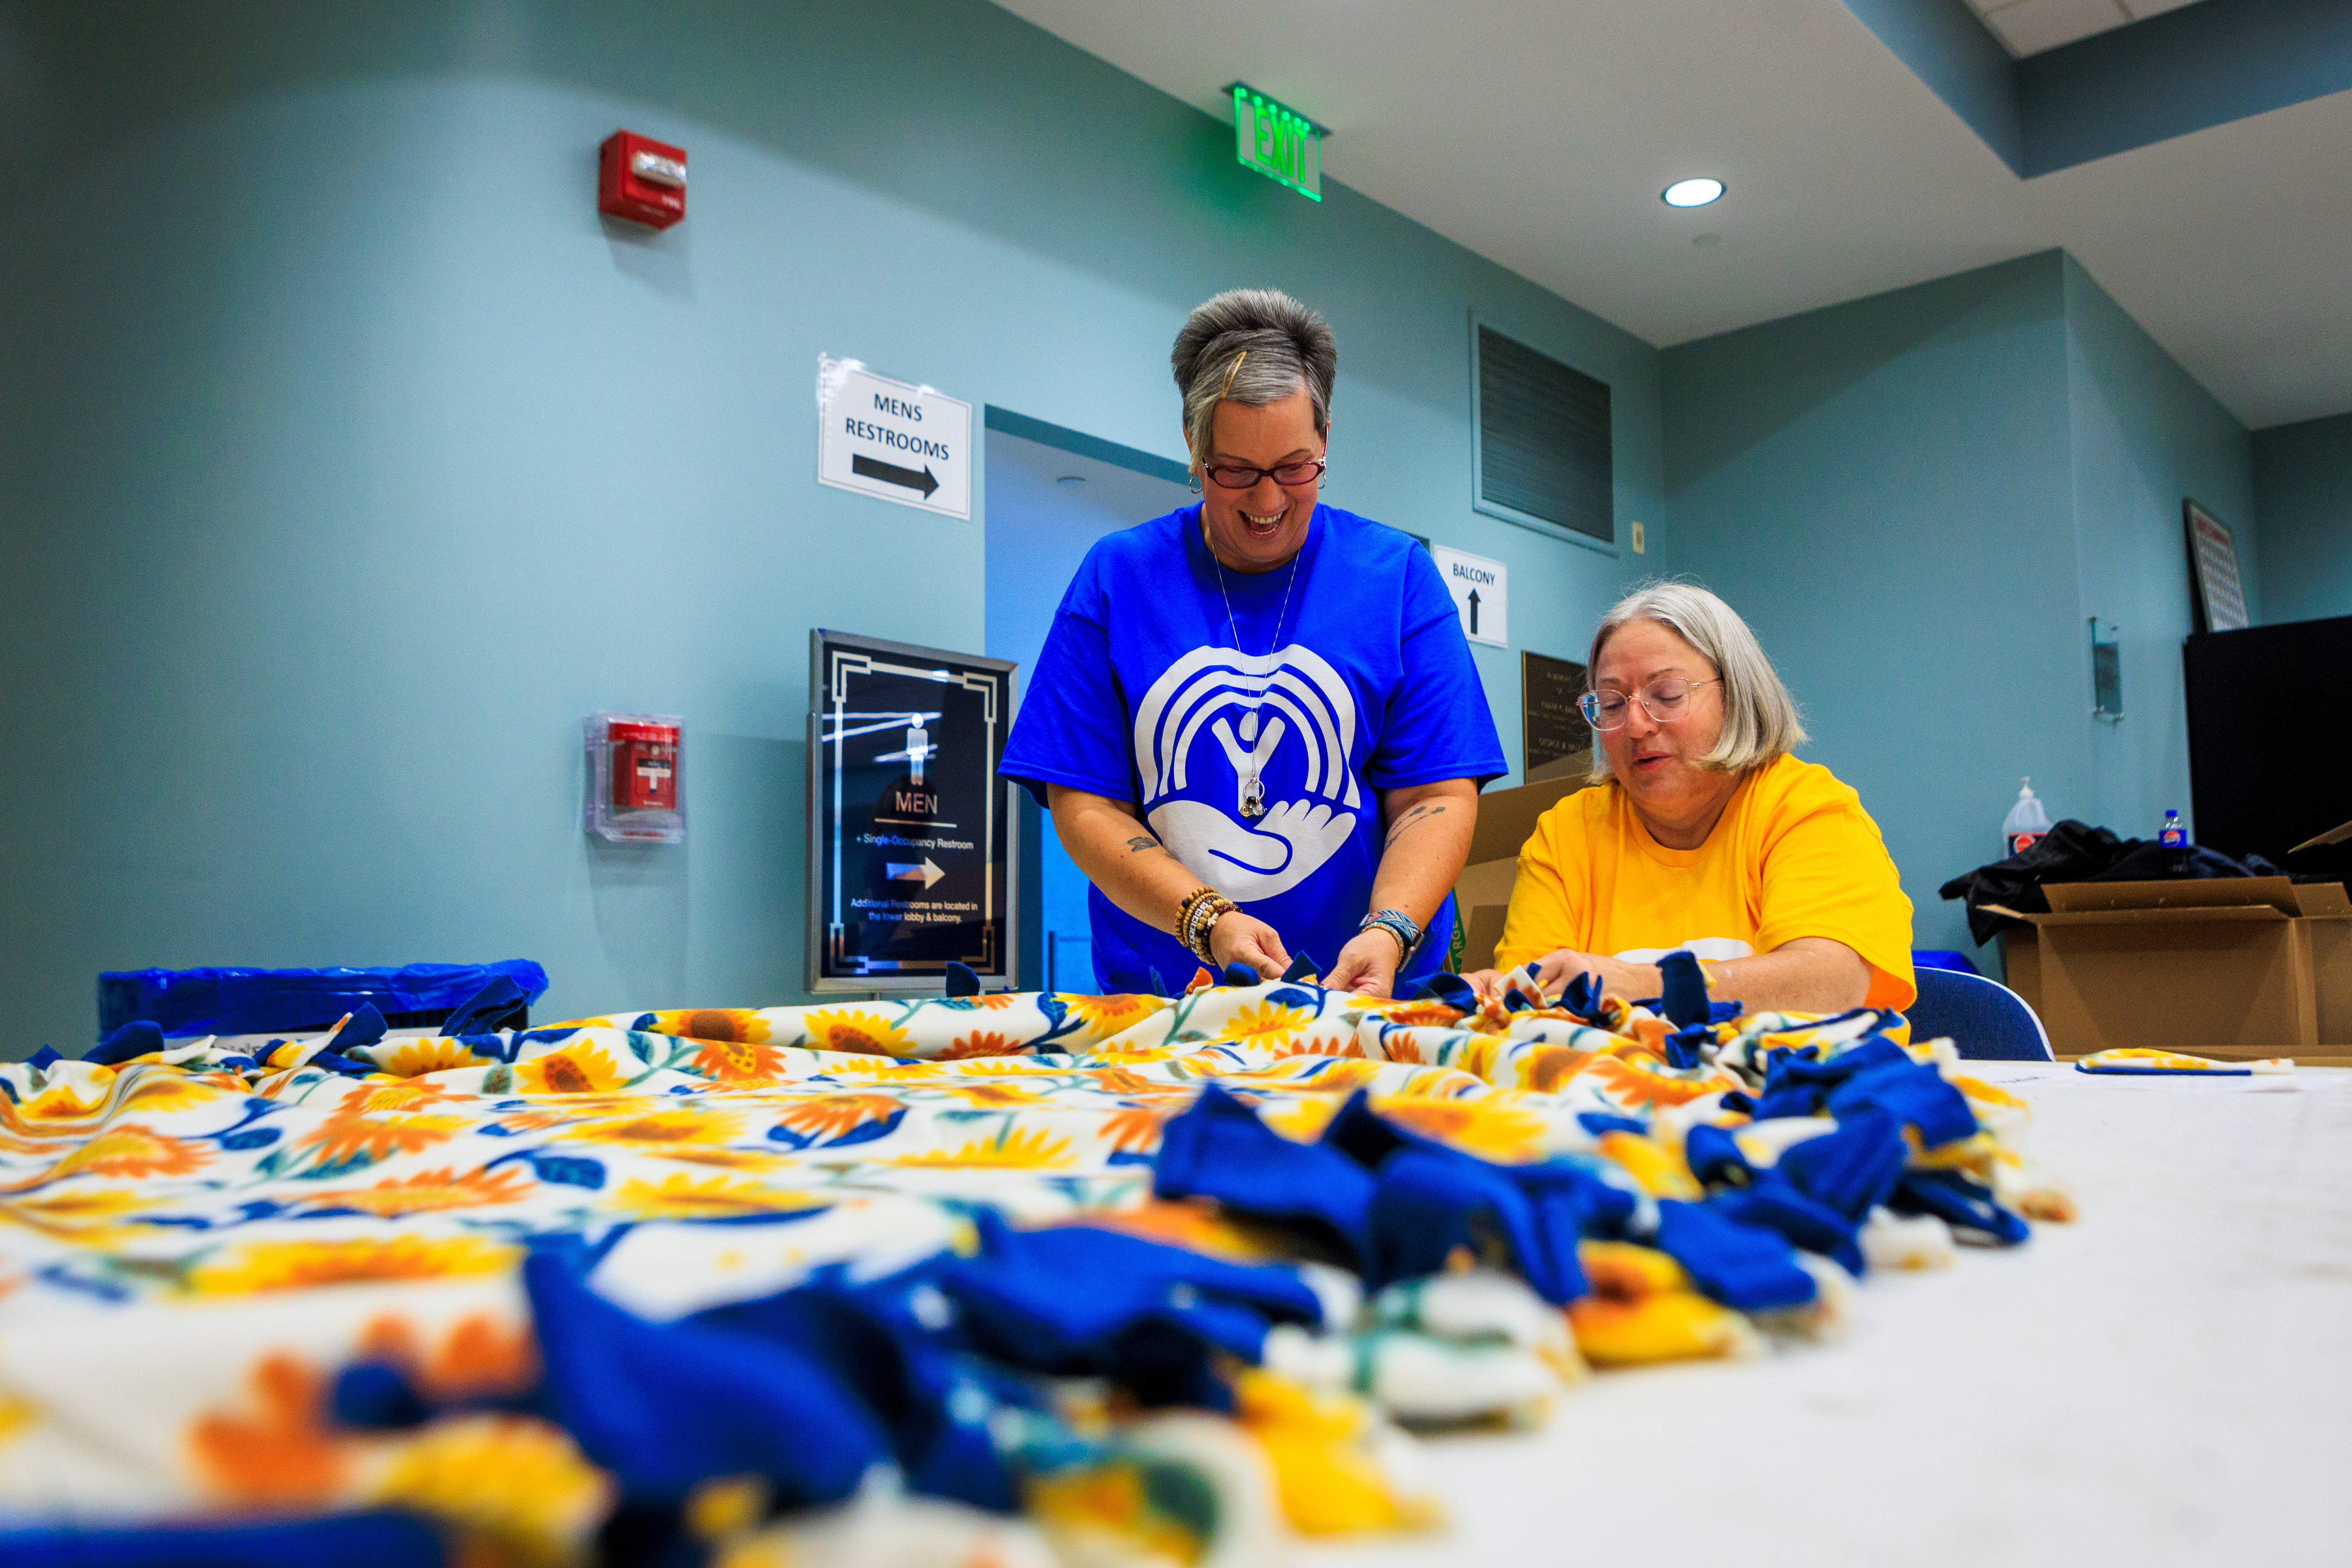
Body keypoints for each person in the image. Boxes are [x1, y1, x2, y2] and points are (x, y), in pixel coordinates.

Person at [999, 288, 1504, 997]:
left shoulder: (1397, 579)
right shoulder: (1118, 578)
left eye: (1295, 467)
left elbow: (1434, 797)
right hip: (1168, 1001)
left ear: (1326, 438)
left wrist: (1388, 929)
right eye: (1235, 470)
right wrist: (1206, 919)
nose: (1267, 502)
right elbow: (1084, 806)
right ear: (1193, 445)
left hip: (1367, 999)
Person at [1466, 582, 1915, 1013]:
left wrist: (1642, 986)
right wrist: (1496, 999)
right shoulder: (1566, 833)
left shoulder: (1805, 808)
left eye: (1667, 695)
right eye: (1613, 704)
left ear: (1736, 695)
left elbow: (1830, 985)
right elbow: (1534, 1005)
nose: (1636, 726)